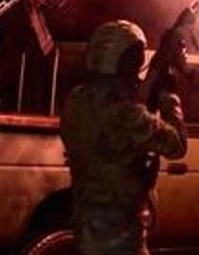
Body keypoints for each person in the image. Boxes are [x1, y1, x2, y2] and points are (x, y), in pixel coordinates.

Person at [60, 20, 188, 255]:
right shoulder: (126, 114)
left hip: (87, 232)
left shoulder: (76, 100)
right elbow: (177, 145)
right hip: (122, 239)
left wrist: (154, 71)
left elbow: (117, 119)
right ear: (127, 62)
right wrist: (169, 94)